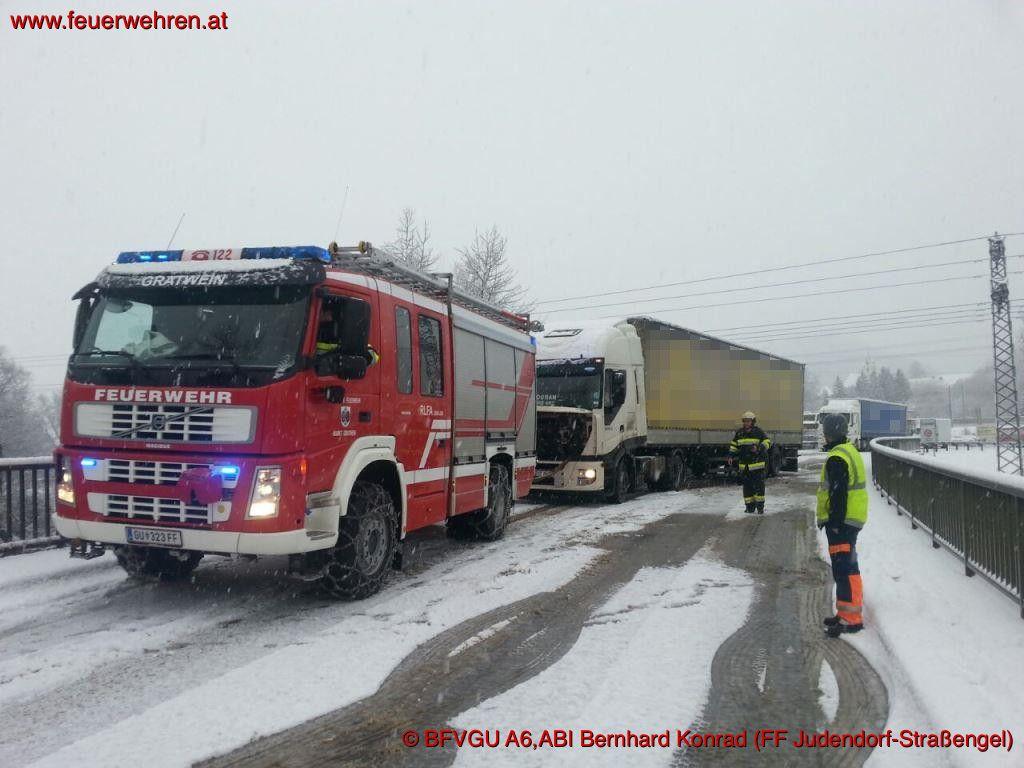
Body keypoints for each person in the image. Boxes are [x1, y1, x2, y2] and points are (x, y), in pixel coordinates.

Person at [817, 413, 868, 637]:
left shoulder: (837, 457)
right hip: (851, 519)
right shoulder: (849, 450)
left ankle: (851, 619)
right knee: (847, 566)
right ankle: (846, 612)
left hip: (842, 522)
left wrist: (835, 523)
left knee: (844, 569)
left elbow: (838, 494)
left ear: (829, 433)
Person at [728, 411, 771, 514]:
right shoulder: (739, 433)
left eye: (748, 421)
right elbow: (734, 445)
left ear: (753, 422)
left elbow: (767, 442)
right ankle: (749, 507)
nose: (746, 423)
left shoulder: (758, 432)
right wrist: (731, 455)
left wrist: (758, 448)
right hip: (745, 467)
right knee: (747, 488)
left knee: (759, 488)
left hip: (757, 466)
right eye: (744, 421)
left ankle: (760, 507)